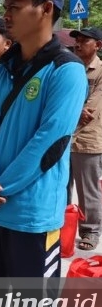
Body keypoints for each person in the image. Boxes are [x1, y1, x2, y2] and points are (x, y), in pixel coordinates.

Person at [0, 0, 88, 307]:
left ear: (46, 8)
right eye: (6, 5)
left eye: (16, 6)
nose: (6, 13)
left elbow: (49, 144)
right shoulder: (3, 67)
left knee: (33, 304)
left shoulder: (67, 70)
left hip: (31, 215)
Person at [68, 27, 102, 251]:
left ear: (98, 45)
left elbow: (89, 112)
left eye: (84, 41)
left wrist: (68, 108)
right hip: (63, 139)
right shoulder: (70, 68)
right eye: (77, 40)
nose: (78, 44)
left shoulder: (100, 71)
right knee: (60, 186)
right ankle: (62, 225)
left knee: (87, 189)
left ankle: (90, 230)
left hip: (88, 140)